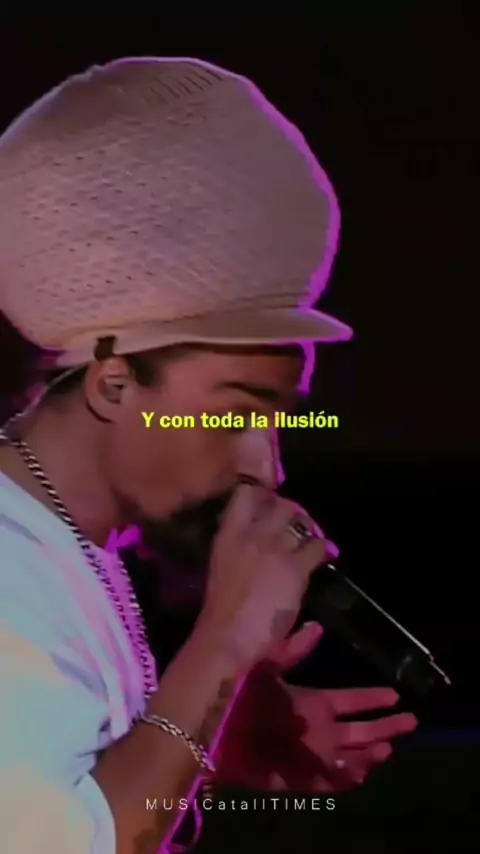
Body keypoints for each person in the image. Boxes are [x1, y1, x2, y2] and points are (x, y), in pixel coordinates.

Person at [0, 56, 417, 853]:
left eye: (279, 421)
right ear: (114, 384)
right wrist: (224, 642)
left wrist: (210, 746)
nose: (267, 467)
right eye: (235, 414)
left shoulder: (63, 544)